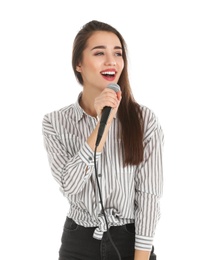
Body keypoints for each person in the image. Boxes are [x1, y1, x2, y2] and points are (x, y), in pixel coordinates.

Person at [42, 20, 164, 260]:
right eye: (99, 53)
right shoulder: (54, 122)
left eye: (118, 53)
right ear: (78, 64)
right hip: (78, 241)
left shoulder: (144, 120)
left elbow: (149, 197)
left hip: (131, 241)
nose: (111, 61)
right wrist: (102, 124)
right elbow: (70, 185)